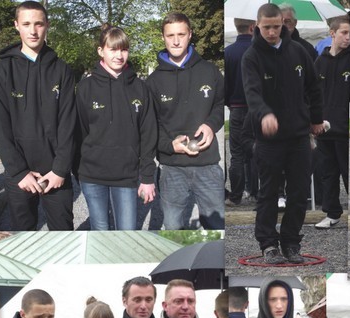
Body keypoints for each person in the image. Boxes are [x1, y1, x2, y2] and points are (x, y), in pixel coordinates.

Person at [242, 3, 324, 265]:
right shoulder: (251, 57)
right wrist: (264, 114)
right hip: (268, 140)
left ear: (284, 24)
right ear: (257, 26)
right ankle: (268, 244)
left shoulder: (298, 51)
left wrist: (316, 120)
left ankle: (290, 243)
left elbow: (313, 87)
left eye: (277, 26)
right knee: (268, 193)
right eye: (267, 27)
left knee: (299, 193)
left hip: (299, 135)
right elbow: (251, 94)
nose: (272, 32)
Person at [0, 1, 75, 231]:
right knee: (24, 241)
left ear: (47, 25)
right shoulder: (2, 70)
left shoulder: (62, 70)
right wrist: (18, 171)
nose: (33, 30)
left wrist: (60, 170)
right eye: (26, 24)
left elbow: (69, 123)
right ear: (17, 25)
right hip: (20, 174)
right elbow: (0, 124)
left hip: (56, 174)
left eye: (38, 24)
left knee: (64, 237)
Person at [146, 12, 225, 230]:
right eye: (170, 35)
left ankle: (213, 265)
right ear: (163, 37)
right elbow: (151, 126)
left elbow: (220, 104)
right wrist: (169, 146)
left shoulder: (210, 71)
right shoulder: (153, 82)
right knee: (173, 229)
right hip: (172, 167)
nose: (176, 40)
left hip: (207, 164)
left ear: (190, 34)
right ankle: (179, 265)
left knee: (216, 230)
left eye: (181, 34)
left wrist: (211, 125)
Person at [76, 24, 157, 231]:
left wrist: (147, 177)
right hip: (93, 177)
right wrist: (78, 170)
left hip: (126, 176)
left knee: (127, 233)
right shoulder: (86, 88)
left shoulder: (140, 88)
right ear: (101, 51)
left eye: (123, 49)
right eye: (113, 49)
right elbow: (79, 132)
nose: (119, 55)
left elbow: (148, 135)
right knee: (100, 231)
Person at [314, 16, 350, 230]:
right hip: (323, 128)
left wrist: (342, 104)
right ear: (332, 33)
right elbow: (310, 92)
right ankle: (332, 213)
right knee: (328, 172)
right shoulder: (320, 61)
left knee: (347, 171)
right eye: (343, 32)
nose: (347, 37)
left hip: (343, 127)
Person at [224, 18, 257, 206]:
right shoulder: (258, 52)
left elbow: (226, 85)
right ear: (252, 27)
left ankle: (236, 196)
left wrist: (229, 102)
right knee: (256, 151)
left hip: (236, 108)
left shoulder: (228, 52)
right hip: (256, 109)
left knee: (236, 154)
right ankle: (256, 193)